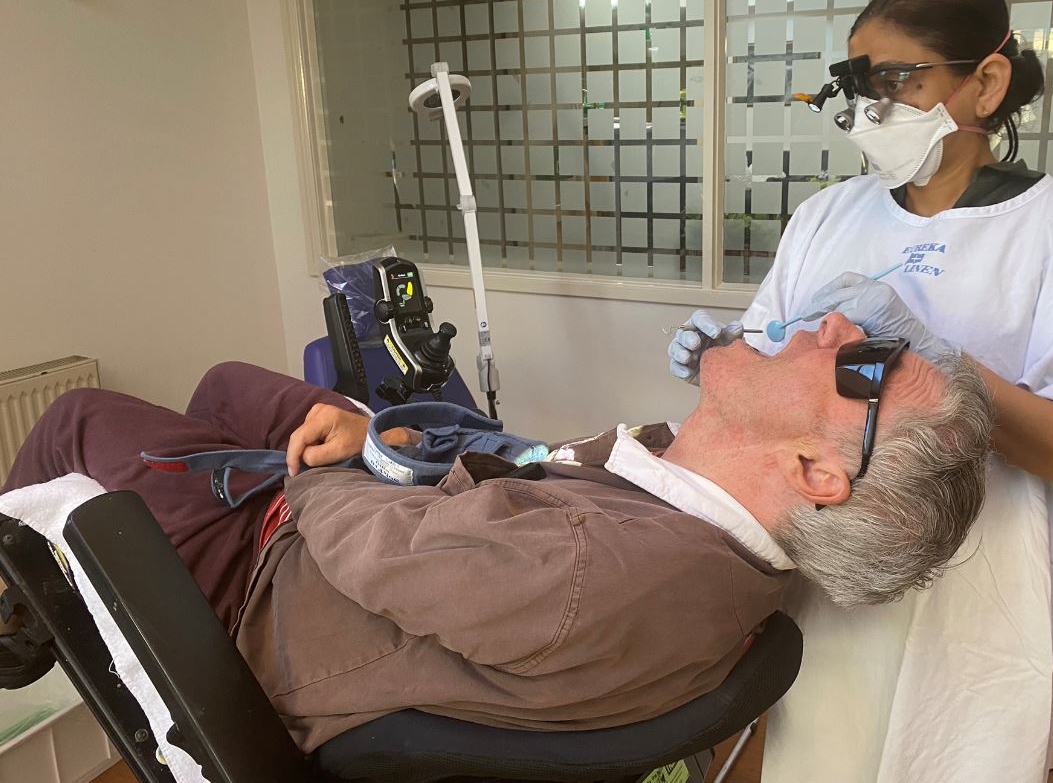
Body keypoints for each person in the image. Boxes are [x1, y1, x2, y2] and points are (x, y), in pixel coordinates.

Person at [3, 314, 992, 751]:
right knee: (228, 387)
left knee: (77, 421)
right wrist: (376, 440)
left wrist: (342, 464)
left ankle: (17, 628)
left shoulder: (599, 571)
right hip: (375, 534)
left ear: (817, 474)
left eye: (860, 367)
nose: (832, 330)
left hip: (270, 585)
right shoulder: (683, 516)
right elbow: (521, 470)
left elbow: (378, 549)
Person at [669, 0, 1053, 783]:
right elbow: (769, 385)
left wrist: (936, 359)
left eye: (897, 77)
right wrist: (725, 359)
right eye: (859, 80)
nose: (872, 104)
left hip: (986, 594)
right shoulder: (828, 217)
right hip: (830, 581)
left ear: (987, 81)